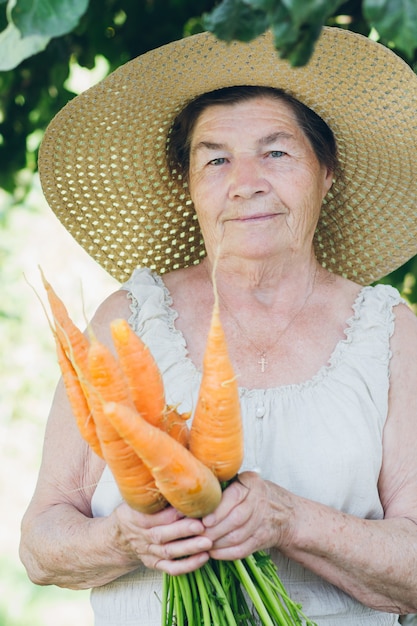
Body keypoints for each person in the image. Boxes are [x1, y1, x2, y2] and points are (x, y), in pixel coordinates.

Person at [19, 26, 417, 625]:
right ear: (189, 184)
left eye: (276, 152)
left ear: (327, 170)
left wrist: (291, 520)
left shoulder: (390, 334)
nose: (246, 181)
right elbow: (39, 544)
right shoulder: (128, 322)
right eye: (216, 159)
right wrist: (126, 540)